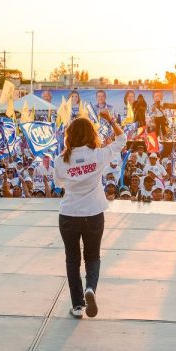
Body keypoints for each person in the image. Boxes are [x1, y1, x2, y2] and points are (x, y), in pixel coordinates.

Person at [53, 110, 126, 319]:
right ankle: (90, 289)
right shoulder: (99, 154)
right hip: (94, 213)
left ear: (70, 136)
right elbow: (122, 139)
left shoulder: (60, 160)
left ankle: (77, 305)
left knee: (72, 260)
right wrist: (110, 119)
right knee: (92, 256)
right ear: (91, 135)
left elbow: (59, 183)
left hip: (68, 214)